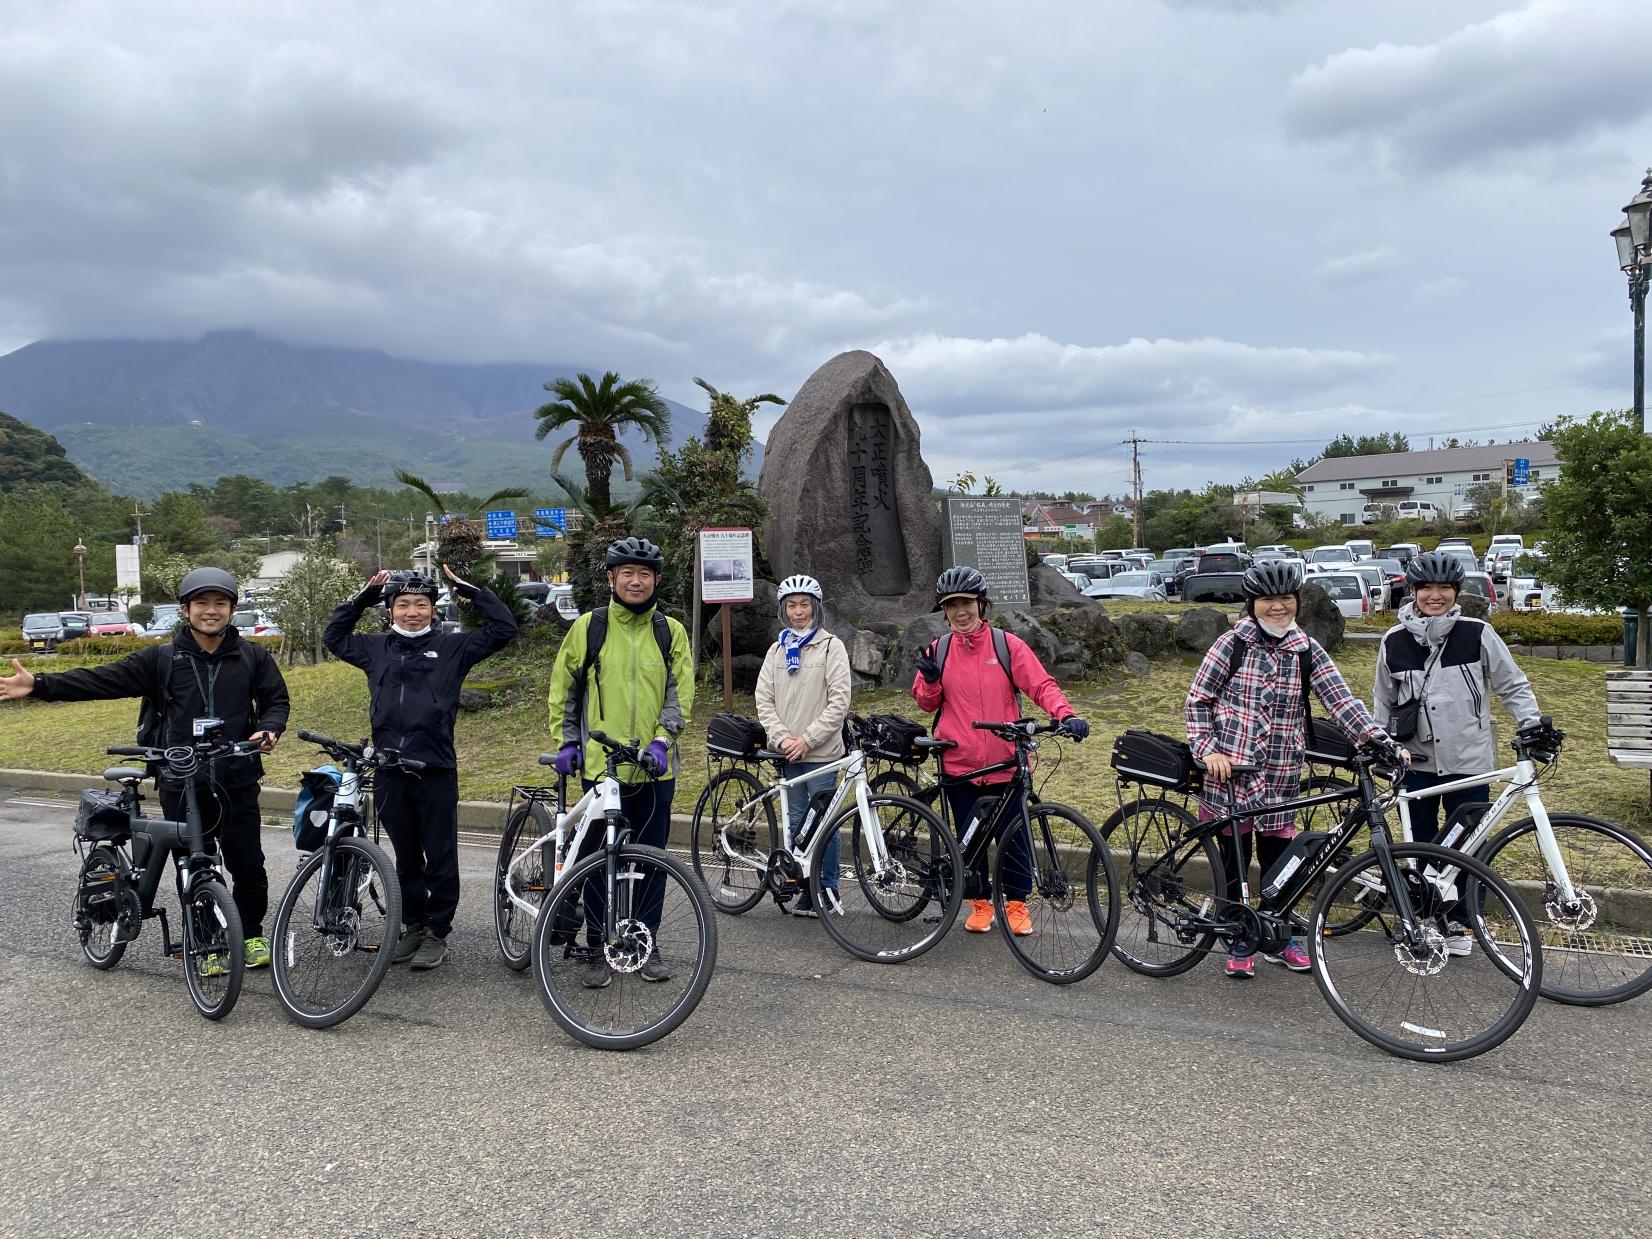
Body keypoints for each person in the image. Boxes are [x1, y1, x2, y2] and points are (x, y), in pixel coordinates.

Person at [0, 567, 289, 972]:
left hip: (236, 777)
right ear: (186, 610)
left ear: (232, 609)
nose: (211, 611)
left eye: (220, 603)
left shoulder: (253, 657)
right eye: (201, 603)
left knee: (248, 864)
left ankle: (252, 933)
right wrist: (41, 685)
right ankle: (207, 944)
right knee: (193, 865)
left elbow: (276, 702)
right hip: (179, 780)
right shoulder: (162, 659)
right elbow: (103, 680)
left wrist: (269, 728)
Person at [1185, 560, 1394, 979]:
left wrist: (1380, 741)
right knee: (1234, 862)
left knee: (1281, 861)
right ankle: (1237, 933)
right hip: (1232, 773)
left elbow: (1340, 700)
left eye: (1285, 599)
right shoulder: (1232, 644)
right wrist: (1208, 750)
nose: (1277, 607)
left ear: (1296, 601)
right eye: (1268, 600)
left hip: (1281, 771)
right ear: (1252, 603)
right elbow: (1198, 700)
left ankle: (1276, 935)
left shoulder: (1307, 650)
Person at [324, 564, 518, 971]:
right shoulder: (375, 647)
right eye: (403, 604)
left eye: (422, 604)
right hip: (391, 770)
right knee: (406, 856)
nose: (412, 612)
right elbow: (333, 637)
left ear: (433, 609)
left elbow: (503, 629)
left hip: (435, 769)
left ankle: (437, 932)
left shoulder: (454, 648)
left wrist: (473, 591)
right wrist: (363, 598)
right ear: (390, 609)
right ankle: (412, 925)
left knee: (440, 854)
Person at [1373, 550, 1541, 955]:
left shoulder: (1477, 633)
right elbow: (1383, 700)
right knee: (1421, 844)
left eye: (1444, 588)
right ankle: (1421, 919)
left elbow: (1512, 685)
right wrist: (1382, 744)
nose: (1435, 596)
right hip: (1414, 761)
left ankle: (1464, 924)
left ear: (1455, 591)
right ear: (1412, 592)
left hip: (1470, 761)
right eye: (1426, 588)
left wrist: (1531, 722)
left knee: (1469, 845)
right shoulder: (1393, 641)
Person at [546, 536, 695, 988]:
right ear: (611, 579)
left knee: (651, 862)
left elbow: (679, 694)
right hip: (599, 769)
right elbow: (565, 690)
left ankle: (642, 943)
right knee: (597, 863)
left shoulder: (670, 631)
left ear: (657, 581)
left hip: (653, 769)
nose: (636, 581)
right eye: (626, 573)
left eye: (644, 574)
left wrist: (663, 741)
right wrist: (568, 741)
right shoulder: (589, 628)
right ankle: (596, 947)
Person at [911, 565, 1090, 936]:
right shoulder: (939, 650)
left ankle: (1016, 904)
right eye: (951, 605)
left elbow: (1041, 685)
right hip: (959, 763)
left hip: (1006, 762)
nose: (960, 612)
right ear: (944, 611)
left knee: (1014, 837)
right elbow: (927, 704)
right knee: (969, 839)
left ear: (981, 604)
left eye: (966, 603)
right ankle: (979, 903)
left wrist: (1065, 714)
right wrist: (929, 680)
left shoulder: (1008, 646)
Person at [754, 574, 853, 917]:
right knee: (797, 821)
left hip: (820, 752)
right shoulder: (777, 649)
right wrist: (782, 738)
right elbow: (763, 699)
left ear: (815, 608)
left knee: (822, 823)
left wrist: (807, 739)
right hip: (787, 752)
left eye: (804, 605)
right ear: (783, 609)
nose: (798, 612)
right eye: (792, 605)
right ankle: (804, 883)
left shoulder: (830, 646)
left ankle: (826, 887)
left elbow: (839, 702)